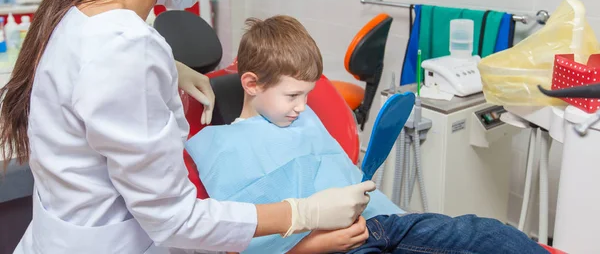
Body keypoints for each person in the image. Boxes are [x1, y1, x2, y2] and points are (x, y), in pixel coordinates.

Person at [0, 0, 375, 253]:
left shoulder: (86, 16)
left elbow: (99, 71)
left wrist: (169, 67)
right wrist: (302, 214)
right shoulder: (123, 49)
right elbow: (176, 220)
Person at [186, 15, 549, 254]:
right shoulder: (221, 145)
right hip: (334, 247)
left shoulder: (305, 118)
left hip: (387, 224)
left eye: (307, 94)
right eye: (292, 95)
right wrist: (318, 244)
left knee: (490, 235)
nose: (301, 106)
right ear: (251, 84)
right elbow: (248, 240)